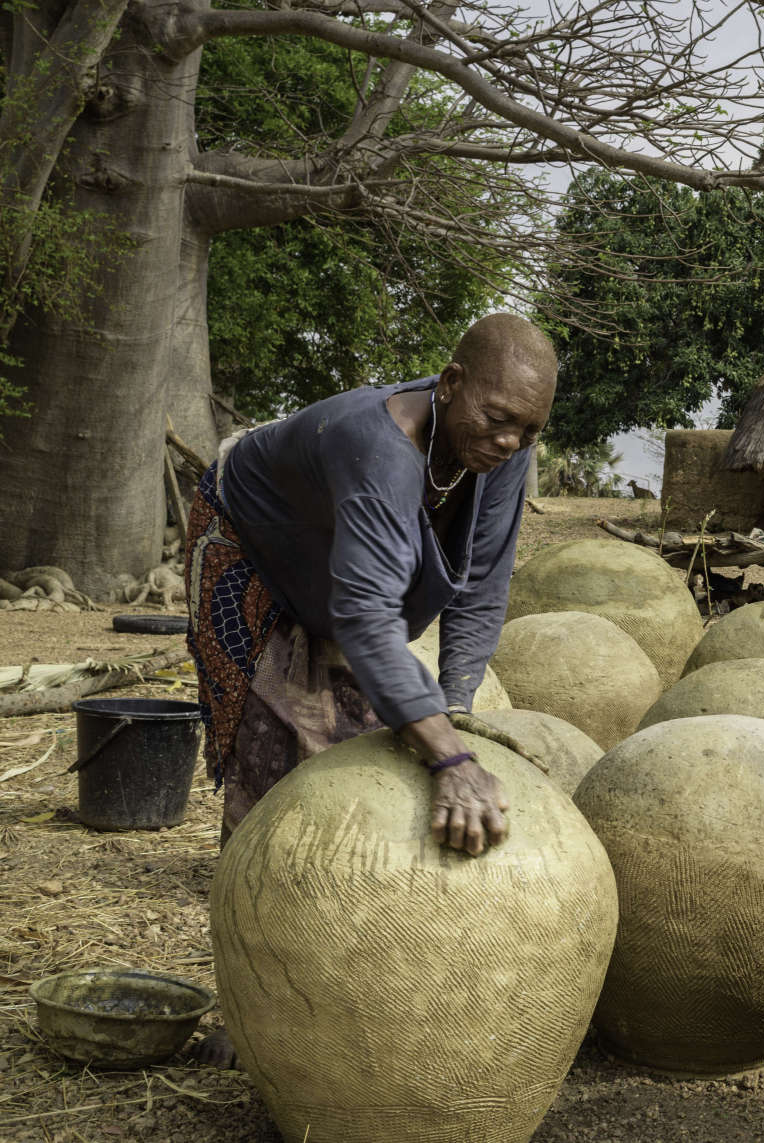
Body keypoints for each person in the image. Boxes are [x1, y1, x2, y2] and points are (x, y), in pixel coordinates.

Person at [185, 313, 556, 855]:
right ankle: (253, 885)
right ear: (451, 383)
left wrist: (454, 710)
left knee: (367, 736)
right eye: (498, 418)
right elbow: (365, 617)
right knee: (275, 743)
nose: (509, 441)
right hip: (252, 539)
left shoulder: (504, 452)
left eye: (529, 430)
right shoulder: (377, 446)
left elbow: (480, 582)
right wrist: (452, 758)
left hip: (337, 557)